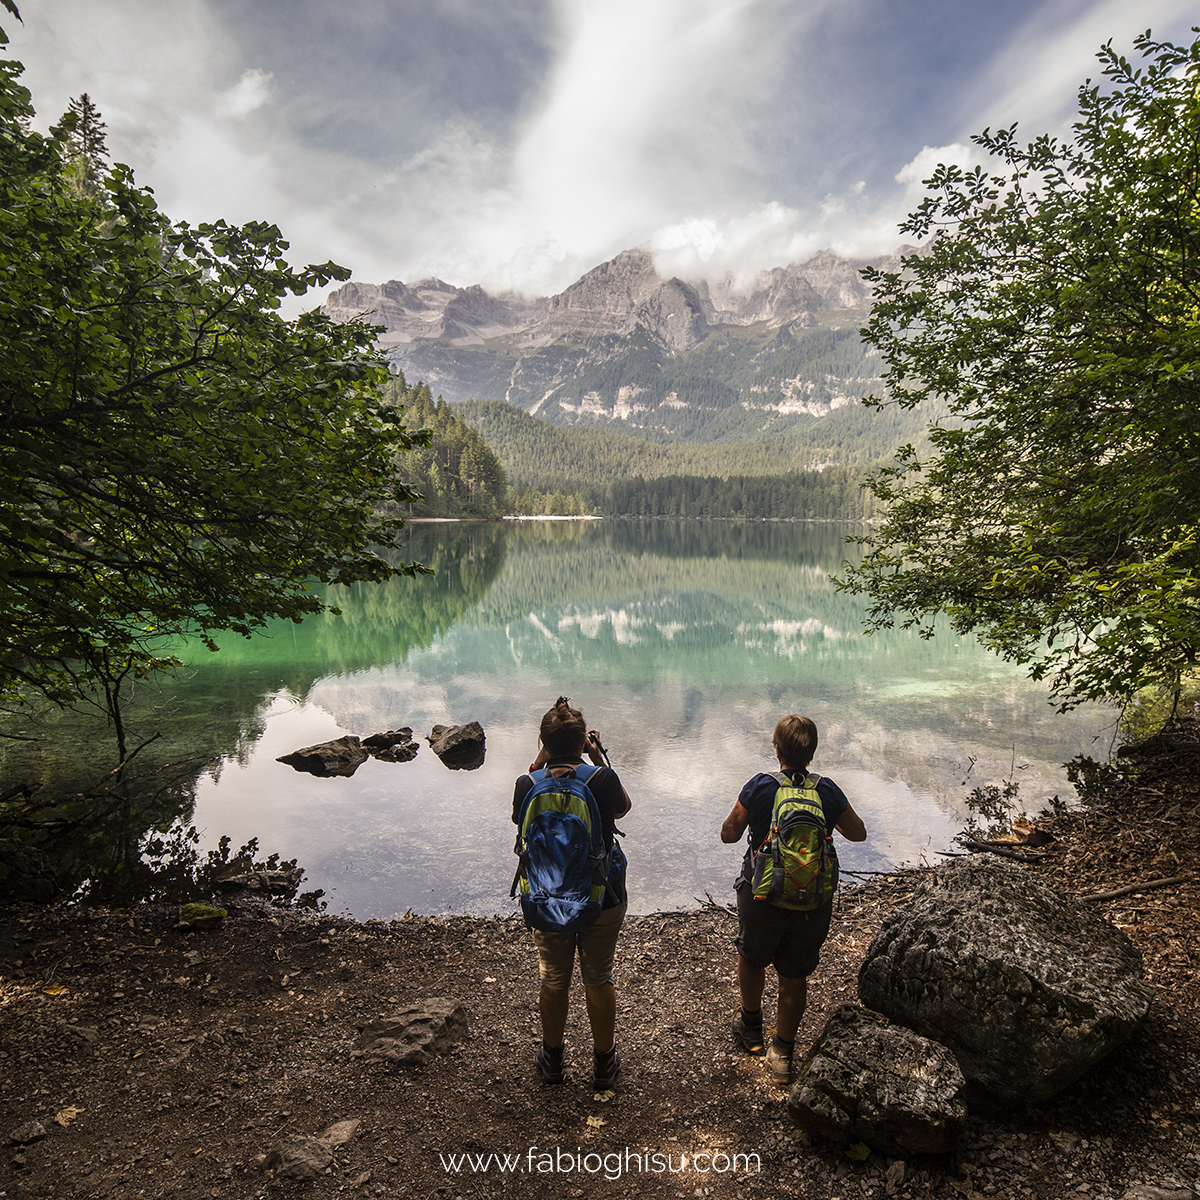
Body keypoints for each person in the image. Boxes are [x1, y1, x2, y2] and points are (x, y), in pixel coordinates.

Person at [720, 713, 867, 1085]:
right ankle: (783, 1052)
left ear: (777, 748)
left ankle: (751, 1029)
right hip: (812, 899)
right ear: (812, 752)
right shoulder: (827, 790)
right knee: (794, 972)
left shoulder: (761, 786)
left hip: (763, 894)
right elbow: (859, 834)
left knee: (753, 956)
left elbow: (729, 834)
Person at [513, 696, 631, 1089]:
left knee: (553, 979)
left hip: (546, 896)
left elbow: (520, 814)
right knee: (598, 977)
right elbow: (623, 809)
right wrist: (597, 758)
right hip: (603, 896)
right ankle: (603, 1063)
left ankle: (552, 1060)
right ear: (583, 741)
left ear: (544, 742)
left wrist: (543, 754)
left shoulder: (528, 782)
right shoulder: (600, 780)